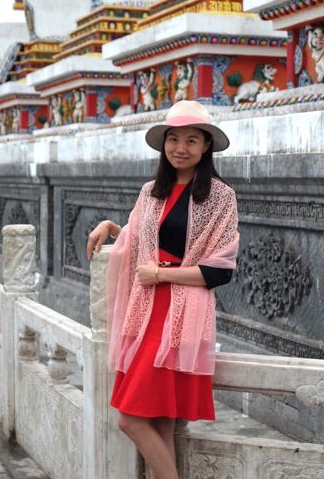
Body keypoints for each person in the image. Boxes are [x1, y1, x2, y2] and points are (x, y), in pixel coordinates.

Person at [86, 100, 239, 479]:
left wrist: (162, 275)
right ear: (163, 143)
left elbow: (219, 270)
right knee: (158, 421)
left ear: (206, 146)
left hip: (183, 313)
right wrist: (110, 226)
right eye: (173, 139)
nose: (180, 148)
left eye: (191, 140)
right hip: (147, 309)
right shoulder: (150, 192)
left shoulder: (220, 197)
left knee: (130, 419)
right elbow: (141, 242)